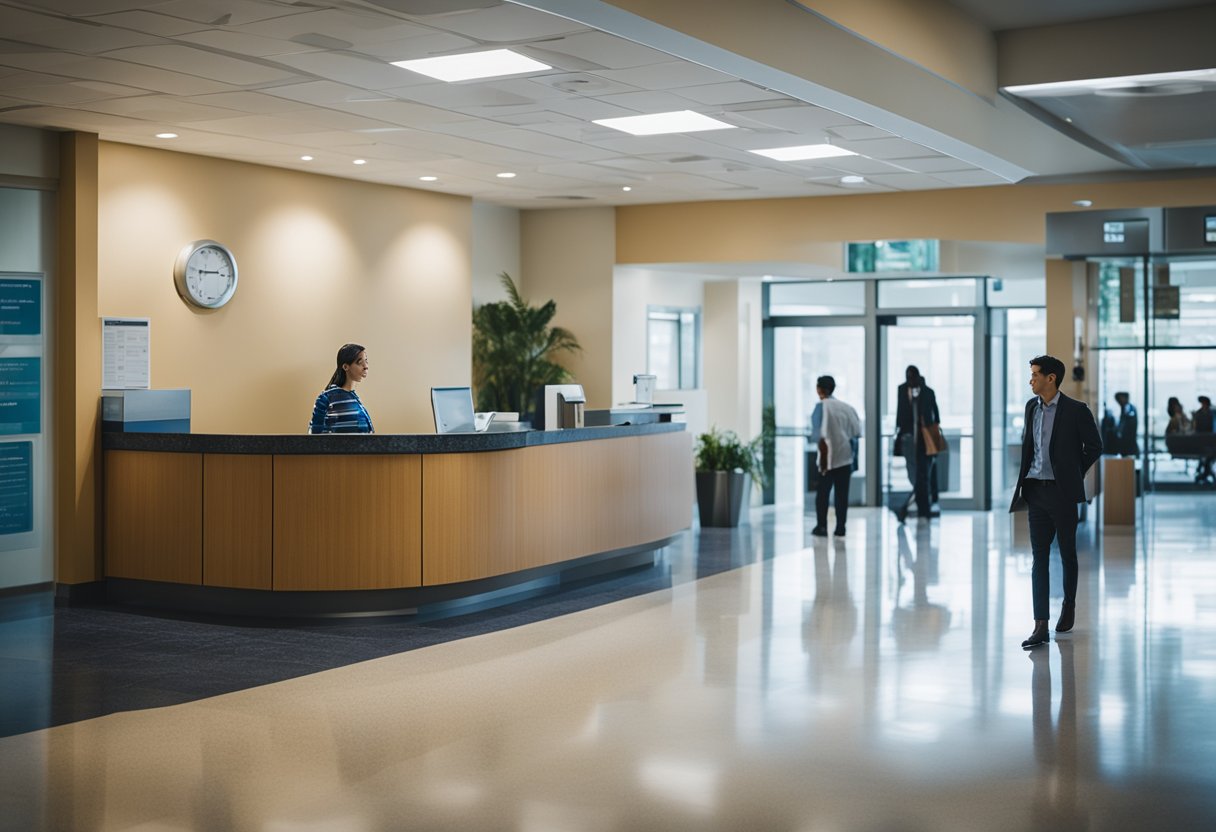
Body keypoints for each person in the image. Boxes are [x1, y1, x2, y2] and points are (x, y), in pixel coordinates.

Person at [1010, 355, 1102, 649]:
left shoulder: (1076, 410)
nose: (1031, 380)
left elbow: (1095, 446)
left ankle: (1069, 604)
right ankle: (1040, 625)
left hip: (1062, 492)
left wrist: (1074, 472)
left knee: (1067, 554)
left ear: (1051, 378)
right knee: (1039, 558)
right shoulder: (1030, 408)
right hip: (1036, 490)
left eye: (1036, 374)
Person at [811, 375, 861, 538]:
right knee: (842, 495)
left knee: (823, 495)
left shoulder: (821, 407)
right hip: (845, 457)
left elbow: (817, 435)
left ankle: (822, 526)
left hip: (827, 458)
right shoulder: (847, 408)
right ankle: (841, 528)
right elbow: (856, 432)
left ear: (819, 389)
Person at [894, 365, 941, 521]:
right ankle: (918, 507)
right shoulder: (901, 390)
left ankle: (923, 509)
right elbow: (900, 411)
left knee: (924, 476)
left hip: (925, 440)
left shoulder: (928, 392)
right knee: (915, 475)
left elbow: (936, 416)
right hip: (908, 438)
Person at [308, 343, 375, 434]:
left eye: (366, 361)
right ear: (345, 367)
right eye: (359, 362)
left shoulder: (354, 398)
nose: (366, 366)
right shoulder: (326, 398)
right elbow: (314, 435)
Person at [1194, 395, 1214, 483]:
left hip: (1210, 439)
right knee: (1208, 456)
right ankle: (1204, 474)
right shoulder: (1198, 414)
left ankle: (1203, 474)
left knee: (1208, 457)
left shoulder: (1212, 413)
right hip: (1202, 440)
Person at [1112, 392, 1138, 456]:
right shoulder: (1124, 408)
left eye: (1121, 399)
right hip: (1124, 441)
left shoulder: (1129, 408)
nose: (1119, 401)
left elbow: (1129, 424)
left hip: (1128, 441)